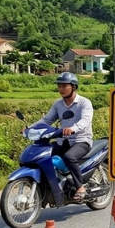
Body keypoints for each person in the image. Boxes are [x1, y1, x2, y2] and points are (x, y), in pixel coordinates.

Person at [34, 72, 94, 201]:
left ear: (73, 86)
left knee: (69, 157)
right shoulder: (58, 104)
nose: (61, 89)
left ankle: (80, 187)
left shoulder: (84, 103)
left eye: (64, 86)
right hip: (63, 140)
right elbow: (47, 120)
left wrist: (72, 129)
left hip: (81, 140)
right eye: (59, 86)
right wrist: (30, 128)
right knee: (41, 154)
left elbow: (85, 120)